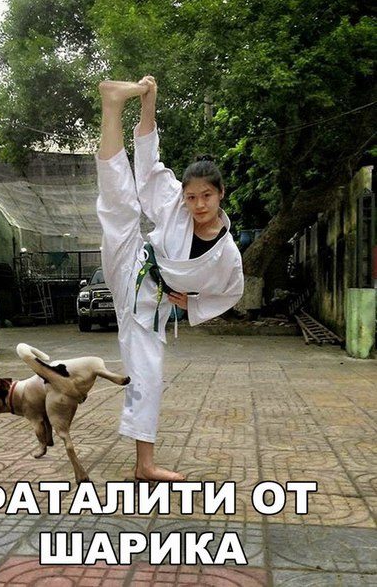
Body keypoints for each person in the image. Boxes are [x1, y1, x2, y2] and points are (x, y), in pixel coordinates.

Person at [96, 76, 244, 481]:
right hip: (133, 264)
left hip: (150, 303)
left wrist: (193, 303)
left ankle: (144, 464)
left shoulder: (227, 252)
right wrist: (149, 102)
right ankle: (112, 105)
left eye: (206, 196)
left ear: (221, 194)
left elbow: (232, 291)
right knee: (119, 205)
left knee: (148, 375)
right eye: (192, 197)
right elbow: (148, 165)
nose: (198, 204)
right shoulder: (177, 206)